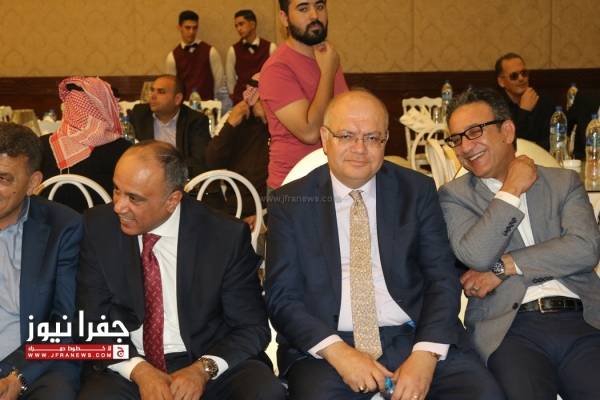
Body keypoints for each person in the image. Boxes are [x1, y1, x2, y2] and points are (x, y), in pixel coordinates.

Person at [265, 90, 504, 400]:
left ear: (386, 140)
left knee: (483, 394)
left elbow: (441, 279)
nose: (359, 149)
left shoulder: (416, 190)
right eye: (346, 136)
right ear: (325, 138)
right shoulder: (290, 202)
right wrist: (338, 352)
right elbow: (282, 297)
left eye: (372, 138)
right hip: (328, 347)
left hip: (415, 334)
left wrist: (426, 353)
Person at [76, 141, 284, 400]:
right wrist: (139, 370)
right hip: (128, 361)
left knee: (264, 393)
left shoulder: (224, 236)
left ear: (172, 200)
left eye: (134, 198)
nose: (118, 206)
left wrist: (202, 370)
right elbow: (90, 322)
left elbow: (252, 327)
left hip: (206, 358)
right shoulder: (98, 226)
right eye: (117, 190)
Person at [439, 87, 600, 400]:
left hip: (582, 320)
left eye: (474, 132)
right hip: (509, 329)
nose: (465, 147)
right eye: (456, 139)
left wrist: (504, 267)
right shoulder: (454, 196)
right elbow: (475, 254)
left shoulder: (562, 182)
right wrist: (511, 189)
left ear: (507, 131)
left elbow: (585, 248)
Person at [0, 123, 82, 400]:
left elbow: (65, 321)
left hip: (37, 363)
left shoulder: (63, 228)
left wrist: (18, 375)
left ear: (33, 183)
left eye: (3, 178)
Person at [259, 0, 348, 190]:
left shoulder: (328, 56)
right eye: (303, 8)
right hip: (294, 187)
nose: (314, 15)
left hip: (336, 180)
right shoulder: (276, 69)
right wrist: (327, 73)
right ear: (284, 18)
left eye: (320, 6)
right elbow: (310, 133)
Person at [40, 76, 131, 213]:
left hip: (48, 221)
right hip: (100, 223)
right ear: (105, 107)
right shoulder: (122, 149)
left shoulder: (40, 145)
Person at [206, 73, 269, 221]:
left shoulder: (284, 124)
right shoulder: (237, 119)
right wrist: (230, 125)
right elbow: (212, 161)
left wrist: (268, 121)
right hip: (237, 208)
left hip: (272, 208)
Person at [129, 75, 210, 178]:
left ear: (177, 99)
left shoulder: (195, 121)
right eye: (152, 90)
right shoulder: (139, 114)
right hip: (145, 177)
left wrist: (164, 170)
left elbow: (199, 161)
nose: (152, 96)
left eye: (161, 92)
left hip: (181, 180)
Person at [495, 53, 554, 150]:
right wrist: (524, 111)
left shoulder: (543, 100)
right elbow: (509, 143)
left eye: (524, 73)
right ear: (501, 82)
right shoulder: (496, 107)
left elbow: (551, 139)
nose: (521, 78)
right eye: (514, 76)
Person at [165, 10, 224, 100]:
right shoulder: (172, 57)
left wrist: (213, 101)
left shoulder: (211, 51)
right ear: (179, 28)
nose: (191, 32)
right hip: (184, 105)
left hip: (208, 104)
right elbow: (172, 86)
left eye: (195, 28)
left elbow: (219, 80)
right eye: (187, 28)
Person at [225, 9, 276, 105]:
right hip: (241, 101)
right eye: (236, 26)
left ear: (252, 24)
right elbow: (230, 79)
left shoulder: (271, 47)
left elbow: (274, 76)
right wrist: (234, 96)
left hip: (264, 100)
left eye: (241, 24)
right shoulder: (233, 50)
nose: (238, 29)